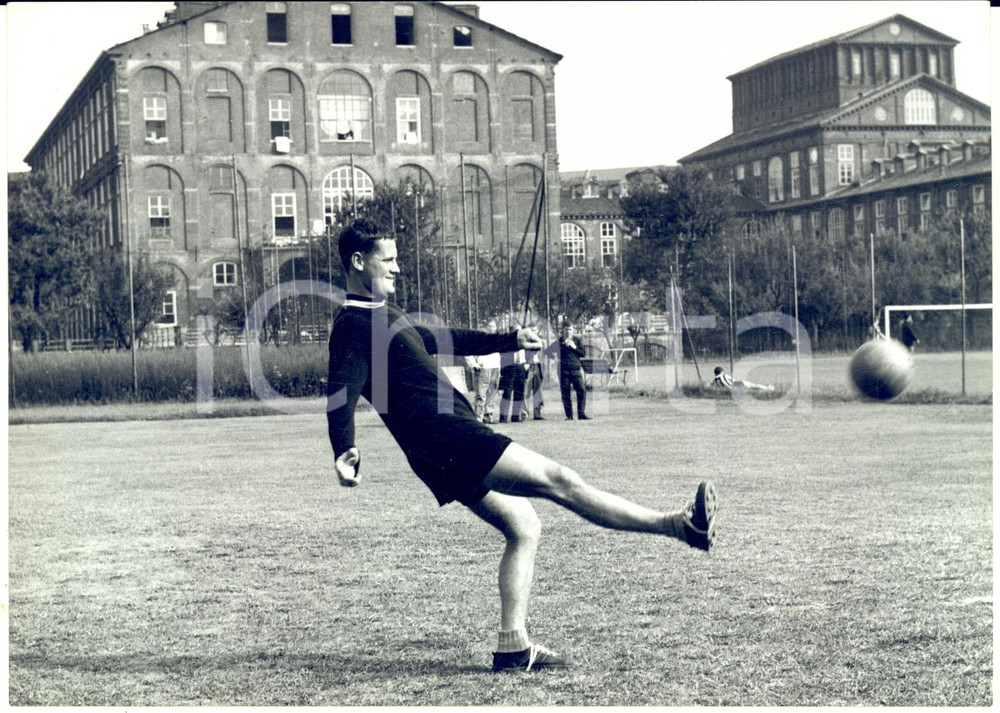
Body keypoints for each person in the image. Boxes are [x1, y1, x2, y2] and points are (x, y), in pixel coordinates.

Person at [327, 219, 719, 673]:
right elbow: (342, 387)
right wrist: (344, 446)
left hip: (436, 447)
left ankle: (513, 647)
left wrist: (509, 340)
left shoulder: (386, 316)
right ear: (359, 262)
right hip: (448, 436)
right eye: (388, 260)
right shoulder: (354, 324)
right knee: (560, 481)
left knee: (524, 527)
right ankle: (680, 526)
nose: (397, 269)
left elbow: (447, 339)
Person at [551, 324, 588, 420]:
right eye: (566, 329)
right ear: (563, 330)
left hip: (575, 369)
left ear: (573, 330)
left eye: (570, 329)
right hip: (563, 371)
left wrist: (574, 347)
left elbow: (583, 353)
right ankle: (569, 416)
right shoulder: (559, 341)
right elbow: (548, 352)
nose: (568, 331)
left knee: (582, 390)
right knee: (566, 393)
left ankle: (581, 414)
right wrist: (557, 359)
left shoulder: (577, 340)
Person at [497, 349, 528, 423]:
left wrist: (527, 363)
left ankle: (515, 416)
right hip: (509, 365)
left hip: (521, 365)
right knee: (507, 392)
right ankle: (503, 417)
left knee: (520, 392)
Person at [521, 347, 546, 421]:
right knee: (526, 391)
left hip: (537, 364)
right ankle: (524, 414)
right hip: (528, 364)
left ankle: (537, 413)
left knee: (538, 391)